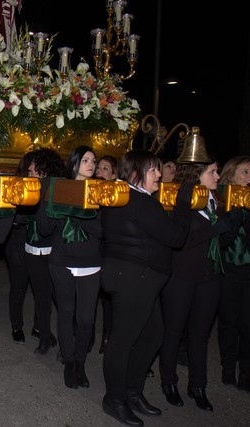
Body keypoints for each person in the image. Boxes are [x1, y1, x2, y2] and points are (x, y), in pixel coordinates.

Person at [100, 150, 193, 426]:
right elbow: (176, 237)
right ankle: (114, 399)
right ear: (137, 174)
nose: (159, 175)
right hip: (134, 279)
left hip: (135, 279)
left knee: (153, 336)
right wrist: (184, 204)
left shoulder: (123, 196)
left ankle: (131, 391)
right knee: (122, 341)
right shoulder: (141, 202)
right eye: (153, 170)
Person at [159, 156, 243, 412]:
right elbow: (181, 239)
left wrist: (232, 224)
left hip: (210, 277)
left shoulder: (215, 202)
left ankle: (198, 386)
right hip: (181, 276)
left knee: (200, 335)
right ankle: (169, 381)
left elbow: (222, 243)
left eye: (217, 172)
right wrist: (217, 229)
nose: (218, 177)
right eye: (212, 172)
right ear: (197, 175)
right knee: (174, 332)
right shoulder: (179, 200)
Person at [36, 145, 101, 389]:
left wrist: (76, 212)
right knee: (65, 313)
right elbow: (44, 229)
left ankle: (81, 362)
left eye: (93, 161)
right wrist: (47, 201)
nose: (91, 164)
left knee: (85, 320)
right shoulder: (59, 189)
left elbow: (102, 231)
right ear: (74, 164)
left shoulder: (100, 191)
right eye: (85, 160)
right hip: (61, 261)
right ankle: (70, 363)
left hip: (90, 263)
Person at [0, 148, 64, 357]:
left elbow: (48, 224)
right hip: (25, 245)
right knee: (26, 289)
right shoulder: (26, 185)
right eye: (29, 165)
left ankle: (47, 333)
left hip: (52, 249)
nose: (30, 169)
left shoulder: (55, 187)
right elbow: (14, 218)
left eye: (34, 165)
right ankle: (23, 328)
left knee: (52, 296)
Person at [217, 155, 250, 391]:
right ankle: (228, 366)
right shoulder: (220, 198)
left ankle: (245, 370)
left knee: (247, 323)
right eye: (245, 172)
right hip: (228, 267)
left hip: (248, 268)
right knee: (228, 321)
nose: (249, 177)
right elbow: (220, 239)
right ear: (231, 175)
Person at [92, 154, 118, 354]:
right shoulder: (88, 192)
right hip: (92, 252)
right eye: (98, 168)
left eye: (105, 169)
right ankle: (87, 336)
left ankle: (108, 336)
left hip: (110, 254)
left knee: (109, 300)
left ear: (114, 175)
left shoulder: (117, 198)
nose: (100, 172)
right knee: (89, 298)